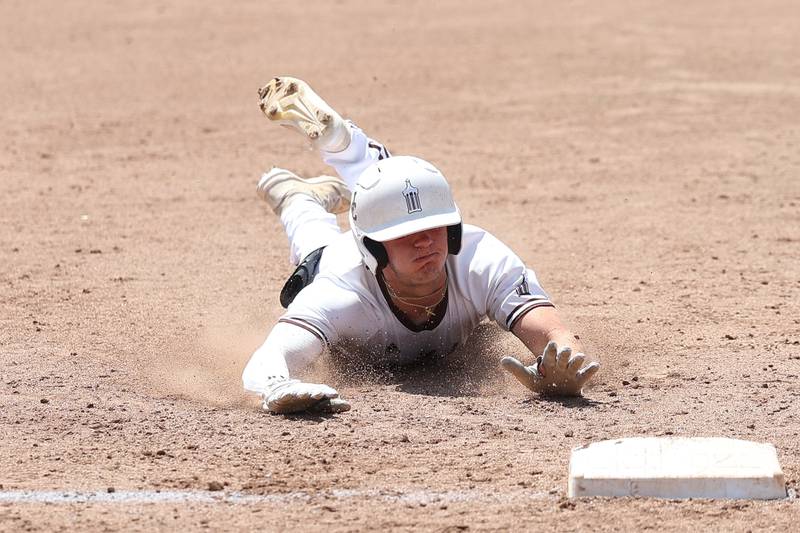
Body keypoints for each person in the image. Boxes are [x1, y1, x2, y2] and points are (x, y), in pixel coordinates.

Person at [242, 77, 600, 414]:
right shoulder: (340, 289)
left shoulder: (482, 261)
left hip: (368, 229)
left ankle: (343, 148)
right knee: (315, 246)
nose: (426, 240)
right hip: (331, 262)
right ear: (373, 248)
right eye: (406, 234)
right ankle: (298, 198)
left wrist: (565, 365)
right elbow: (271, 358)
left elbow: (554, 335)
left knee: (395, 191)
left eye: (434, 226)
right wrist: (276, 387)